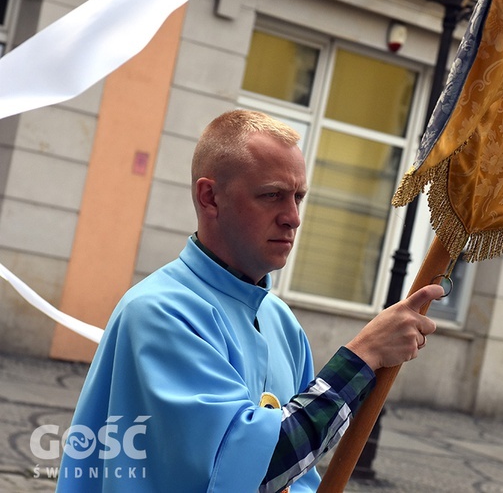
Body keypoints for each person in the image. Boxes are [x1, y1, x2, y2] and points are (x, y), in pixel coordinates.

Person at [56, 110, 442, 492]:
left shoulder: (281, 321)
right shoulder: (159, 313)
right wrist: (363, 356)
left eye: (299, 197)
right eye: (272, 195)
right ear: (210, 197)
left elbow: (298, 474)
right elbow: (254, 470)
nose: (293, 217)